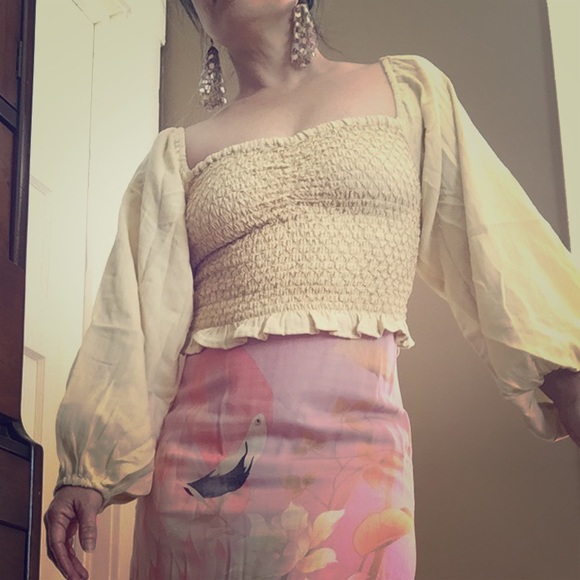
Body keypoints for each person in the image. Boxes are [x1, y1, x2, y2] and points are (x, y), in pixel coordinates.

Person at [44, 1, 580, 579]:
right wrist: (86, 471)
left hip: (357, 456)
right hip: (200, 469)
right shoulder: (175, 155)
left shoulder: (411, 92)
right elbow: (133, 321)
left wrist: (568, 375)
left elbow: (495, 239)